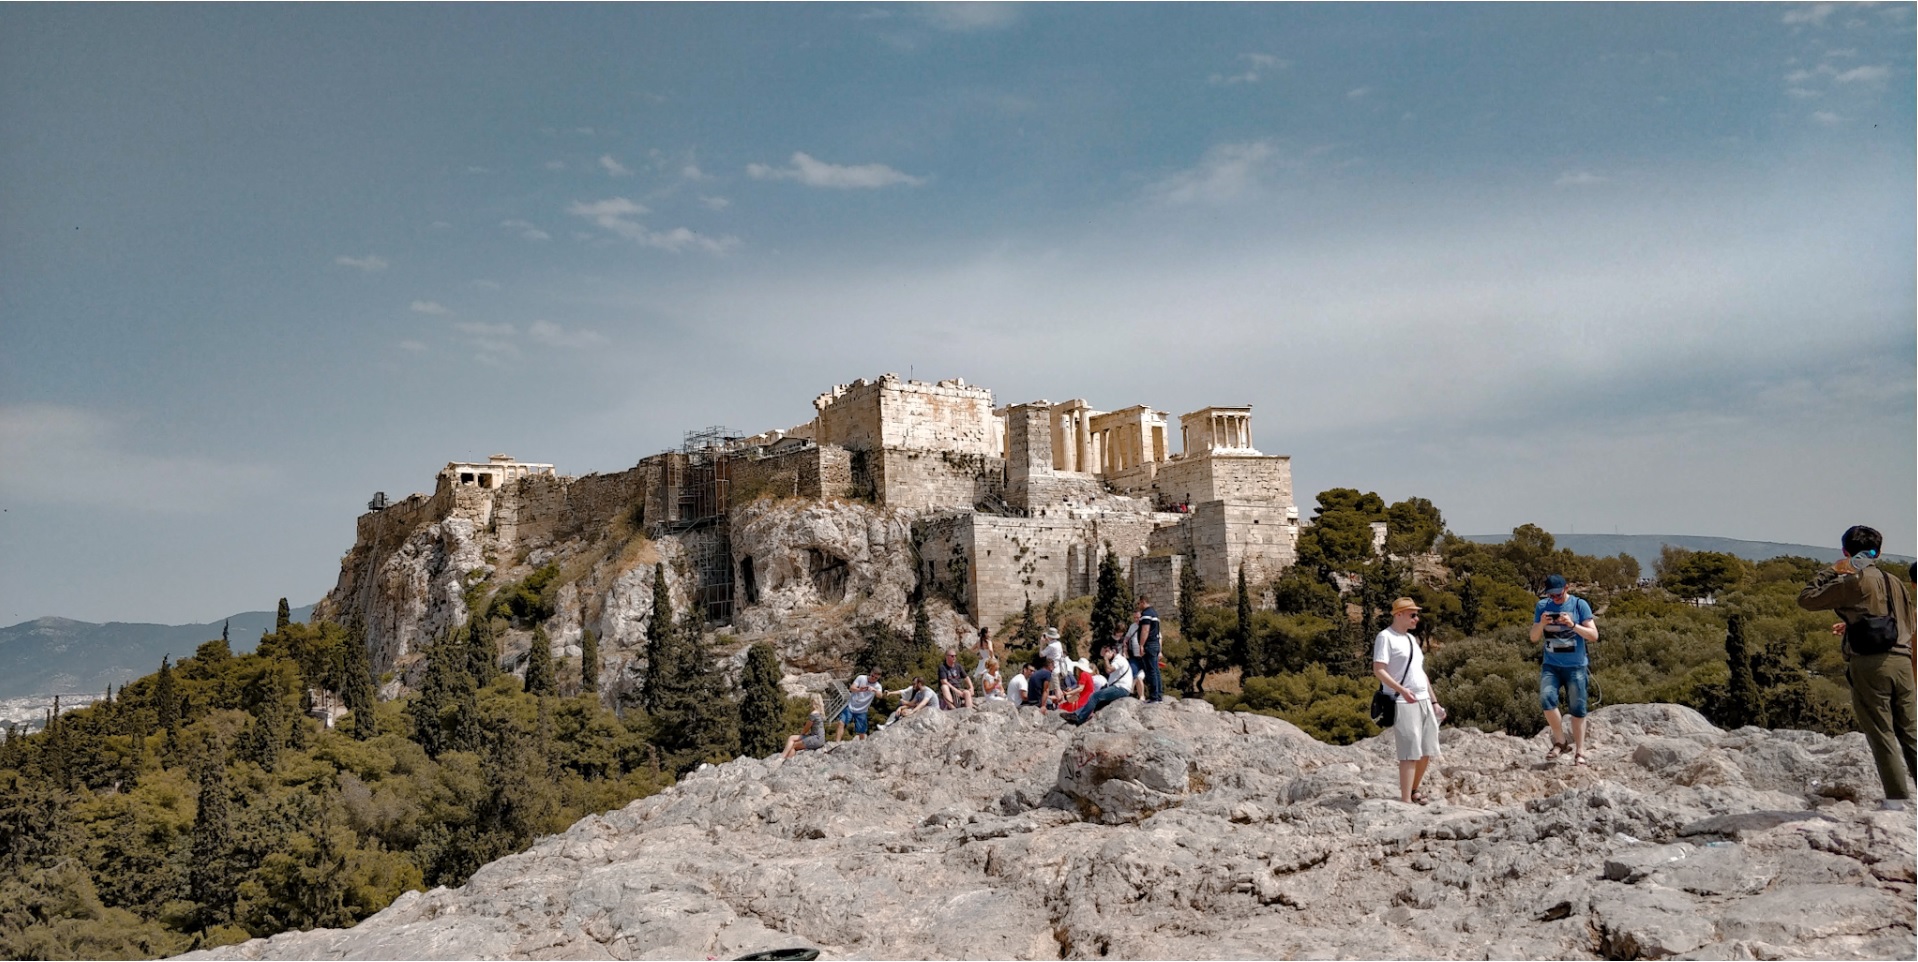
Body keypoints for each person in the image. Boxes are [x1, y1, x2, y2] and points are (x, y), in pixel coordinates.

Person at [1798, 525, 1915, 808]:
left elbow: (1807, 598)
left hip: (1871, 664)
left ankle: (1897, 801)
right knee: (1911, 731)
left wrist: (1836, 570)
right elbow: (1905, 621)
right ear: (1879, 551)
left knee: (1881, 730)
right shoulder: (1895, 581)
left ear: (1846, 552)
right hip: (1903, 661)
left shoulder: (1853, 581)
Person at [1373, 597, 1443, 804]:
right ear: (1398, 615)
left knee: (1427, 750)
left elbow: (1420, 672)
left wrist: (1435, 702)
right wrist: (1401, 690)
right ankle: (1405, 801)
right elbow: (1379, 670)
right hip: (1403, 701)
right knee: (1409, 751)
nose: (1416, 618)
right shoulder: (1385, 637)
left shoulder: (1411, 640)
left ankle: (1413, 790)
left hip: (1422, 698)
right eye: (1412, 614)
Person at [1531, 574, 1598, 766]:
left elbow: (1593, 635)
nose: (1555, 599)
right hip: (1551, 665)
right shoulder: (1542, 607)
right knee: (1546, 699)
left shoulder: (1579, 605)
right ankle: (1560, 741)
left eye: (1558, 595)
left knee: (1578, 708)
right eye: (1551, 596)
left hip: (1576, 666)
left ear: (1566, 588)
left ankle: (1580, 751)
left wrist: (1573, 625)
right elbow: (1534, 637)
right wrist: (1542, 623)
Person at [1066, 645, 1135, 725]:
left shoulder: (1119, 659)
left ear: (1112, 651)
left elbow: (1108, 669)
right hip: (1119, 687)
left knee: (1094, 696)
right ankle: (1081, 716)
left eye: (1107, 652)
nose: (1105, 655)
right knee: (1097, 703)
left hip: (1121, 688)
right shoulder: (1117, 660)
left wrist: (1105, 658)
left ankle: (1079, 719)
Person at [783, 693, 828, 759]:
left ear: (813, 701)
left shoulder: (813, 714)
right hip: (820, 738)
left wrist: (801, 735)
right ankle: (783, 755)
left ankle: (786, 759)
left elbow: (806, 729)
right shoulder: (820, 713)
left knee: (794, 745)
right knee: (791, 738)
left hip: (816, 739)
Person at [837, 670, 879, 741]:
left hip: (862, 711)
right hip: (851, 706)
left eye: (876, 678)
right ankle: (837, 742)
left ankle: (862, 746)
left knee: (861, 732)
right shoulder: (861, 678)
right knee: (841, 723)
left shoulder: (877, 686)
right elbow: (851, 688)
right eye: (872, 676)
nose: (873, 678)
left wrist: (874, 690)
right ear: (870, 673)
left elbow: (880, 695)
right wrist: (859, 689)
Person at [1137, 596, 1164, 702]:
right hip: (1156, 644)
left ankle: (1154, 697)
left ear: (1143, 602)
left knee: (1151, 671)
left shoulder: (1146, 614)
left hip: (1149, 644)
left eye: (1139, 604)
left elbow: (1145, 630)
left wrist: (1141, 645)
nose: (1138, 606)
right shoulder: (1154, 613)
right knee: (1156, 670)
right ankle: (1159, 695)